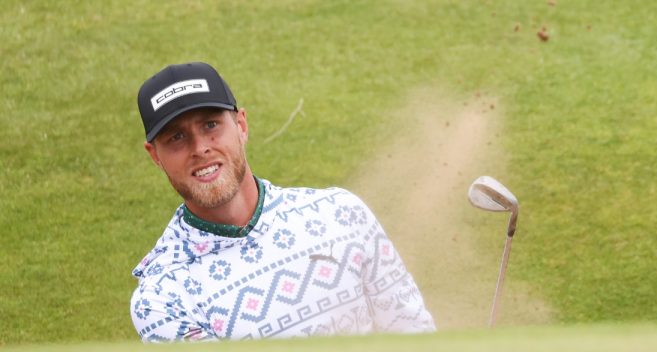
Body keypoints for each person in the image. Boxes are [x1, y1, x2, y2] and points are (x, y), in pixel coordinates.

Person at [130, 62, 435, 342]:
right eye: (176, 137)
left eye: (210, 125)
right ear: (155, 155)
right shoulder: (162, 297)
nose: (200, 148)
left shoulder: (340, 213)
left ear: (241, 126)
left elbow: (414, 334)